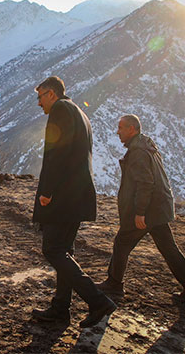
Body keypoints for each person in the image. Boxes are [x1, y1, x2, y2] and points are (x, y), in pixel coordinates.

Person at [31, 76, 116, 328]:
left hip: (64, 197)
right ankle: (60, 309)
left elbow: (57, 153)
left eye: (40, 96)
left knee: (53, 250)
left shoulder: (60, 110)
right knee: (64, 251)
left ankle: (97, 301)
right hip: (77, 195)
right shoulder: (78, 111)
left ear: (51, 94)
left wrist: (47, 190)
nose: (38, 103)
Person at [97, 114, 185, 302]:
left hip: (149, 211)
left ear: (132, 129)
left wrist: (140, 212)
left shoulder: (138, 152)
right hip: (159, 209)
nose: (117, 132)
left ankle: (114, 284)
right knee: (168, 248)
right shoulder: (147, 146)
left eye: (121, 128)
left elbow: (145, 183)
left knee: (122, 243)